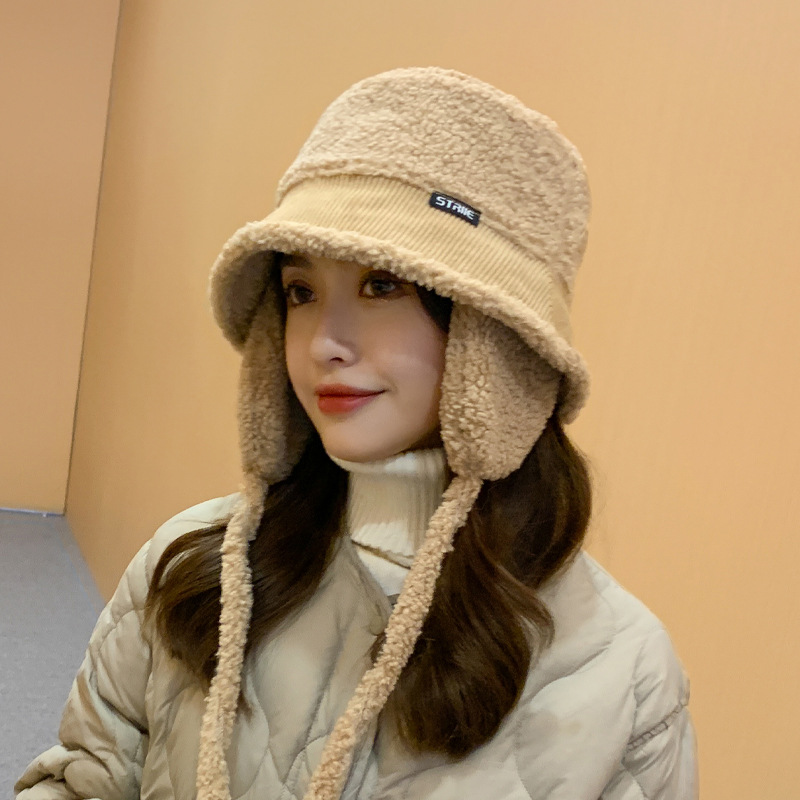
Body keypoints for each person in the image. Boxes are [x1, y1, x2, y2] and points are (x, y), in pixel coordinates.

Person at [16, 67, 698, 800]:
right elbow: (83, 781)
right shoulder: (192, 563)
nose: (323, 344)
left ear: (497, 345)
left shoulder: (623, 677)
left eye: (382, 285)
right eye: (301, 291)